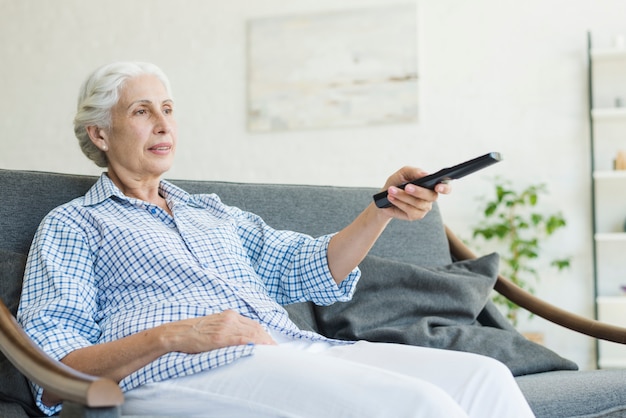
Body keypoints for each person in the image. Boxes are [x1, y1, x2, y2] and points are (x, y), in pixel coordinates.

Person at [17, 61, 535, 418]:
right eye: (141, 111)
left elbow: (306, 266)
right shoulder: (74, 224)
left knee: (485, 380)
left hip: (289, 348)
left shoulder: (208, 211)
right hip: (172, 372)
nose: (162, 123)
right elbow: (50, 361)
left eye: (168, 109)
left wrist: (383, 207)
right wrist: (174, 334)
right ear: (100, 134)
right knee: (420, 408)